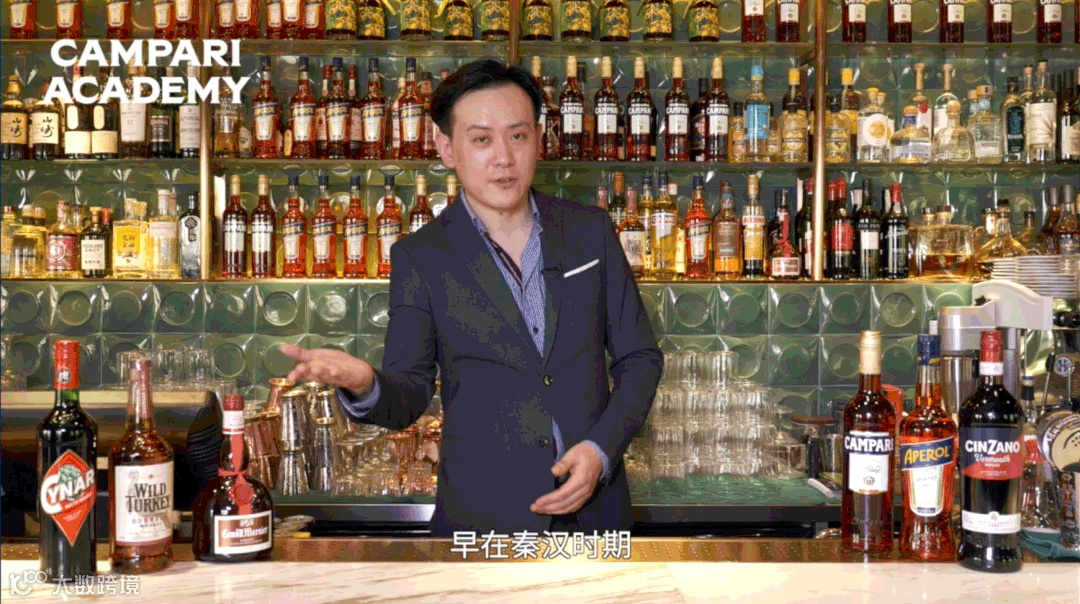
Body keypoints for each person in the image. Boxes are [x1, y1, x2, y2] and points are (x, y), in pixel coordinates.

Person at [280, 59, 662, 537]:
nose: (504, 157)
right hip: (484, 521)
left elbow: (640, 358)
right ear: (447, 148)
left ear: (539, 139)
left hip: (596, 517)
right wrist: (364, 384)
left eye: (518, 136)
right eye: (481, 140)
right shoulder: (421, 256)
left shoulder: (590, 232)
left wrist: (600, 450)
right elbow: (409, 394)